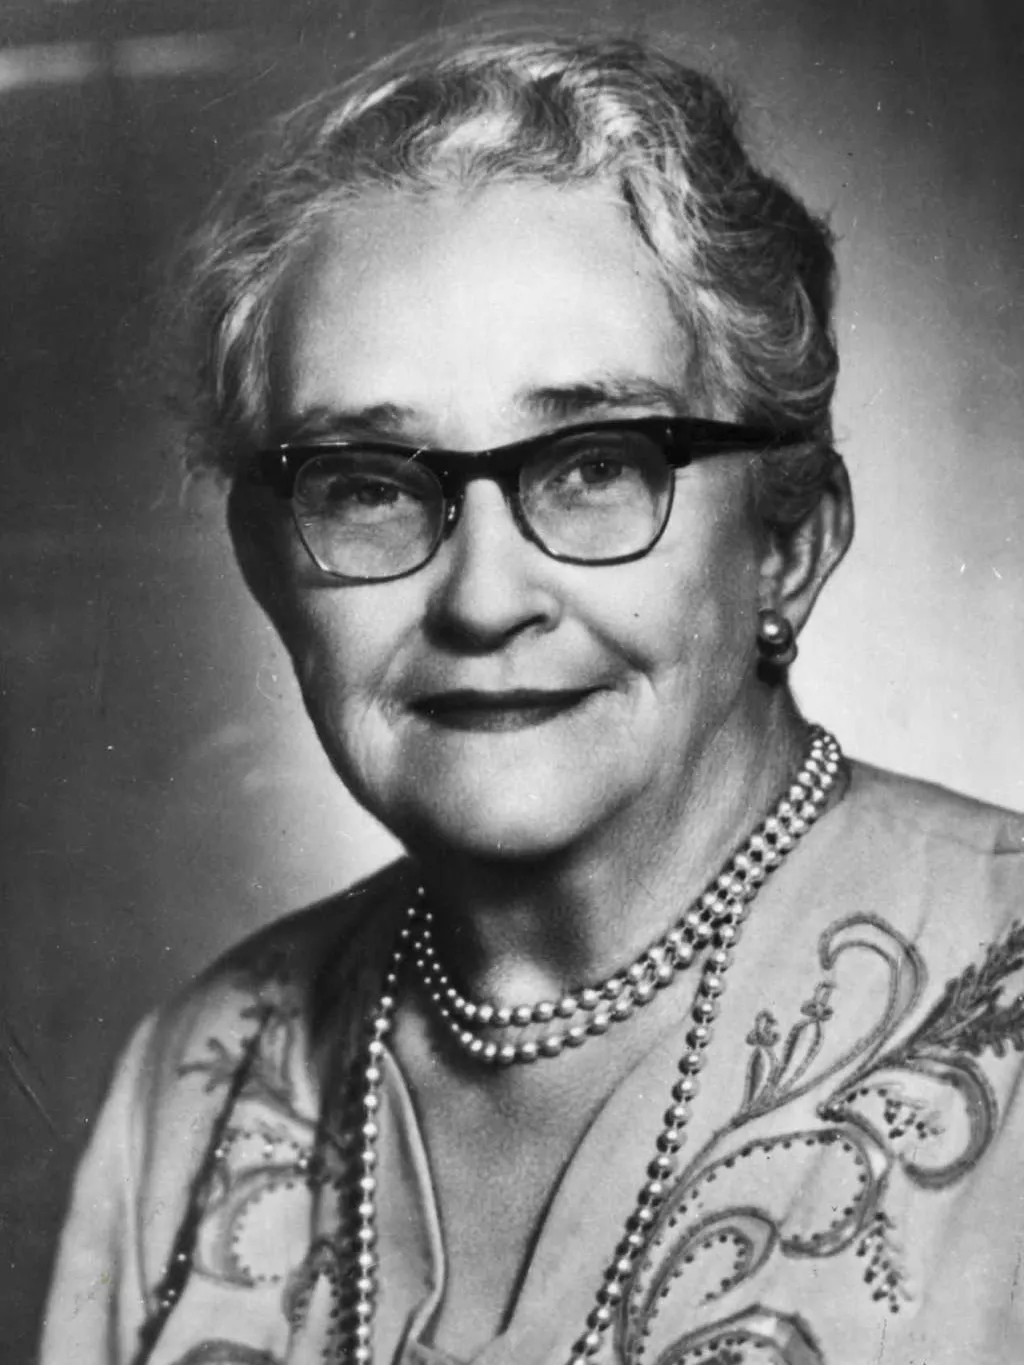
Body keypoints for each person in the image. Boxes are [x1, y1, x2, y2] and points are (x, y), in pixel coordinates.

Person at [40, 29, 1024, 1365]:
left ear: (786, 540)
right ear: (273, 571)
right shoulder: (198, 1073)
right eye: (373, 484)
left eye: (597, 464)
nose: (485, 596)